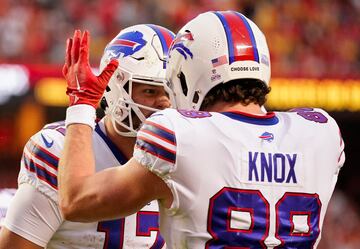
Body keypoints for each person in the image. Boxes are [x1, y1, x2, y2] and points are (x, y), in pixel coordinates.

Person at [58, 11, 345, 248]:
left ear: (187, 75)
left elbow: (76, 201)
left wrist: (82, 102)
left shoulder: (179, 135)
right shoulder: (321, 132)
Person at [0, 24, 174, 249]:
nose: (165, 103)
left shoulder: (186, 154)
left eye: (171, 92)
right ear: (114, 91)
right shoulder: (59, 149)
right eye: (150, 91)